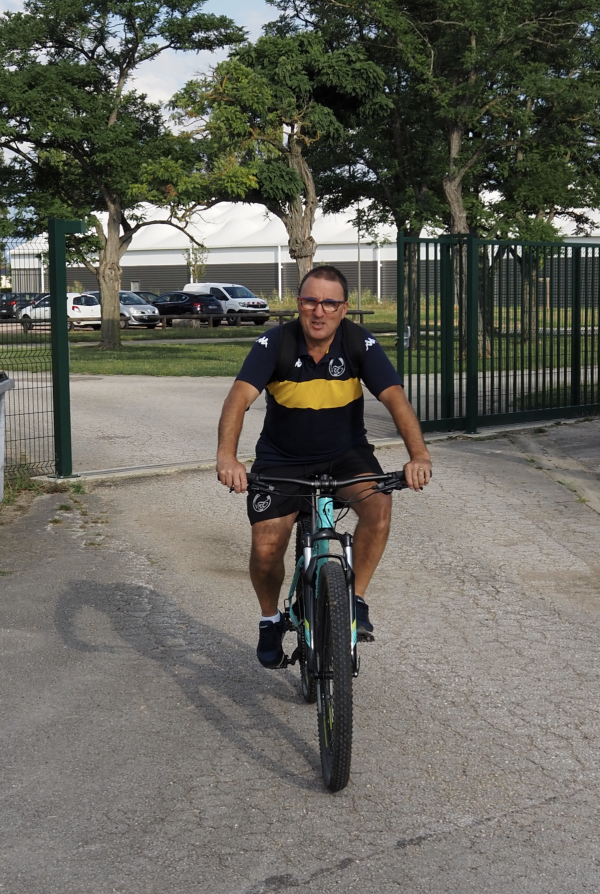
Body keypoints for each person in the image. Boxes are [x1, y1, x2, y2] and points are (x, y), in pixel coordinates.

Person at [217, 265, 432, 668]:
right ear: (299, 304)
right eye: (310, 301)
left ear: (343, 308)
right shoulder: (275, 343)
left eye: (329, 303)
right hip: (282, 459)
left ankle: (357, 601)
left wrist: (418, 455)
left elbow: (396, 400)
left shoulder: (358, 343)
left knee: (379, 507)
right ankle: (269, 620)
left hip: (346, 453)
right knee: (266, 548)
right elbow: (237, 400)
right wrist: (227, 457)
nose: (319, 311)